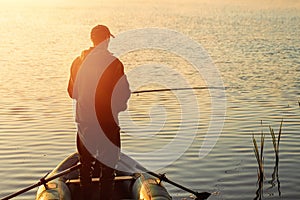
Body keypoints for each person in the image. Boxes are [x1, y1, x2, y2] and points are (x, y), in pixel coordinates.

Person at [67, 24, 131, 199]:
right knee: (108, 169)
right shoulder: (114, 64)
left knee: (85, 167)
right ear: (107, 39)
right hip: (107, 123)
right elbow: (123, 93)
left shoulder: (77, 62)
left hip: (84, 123)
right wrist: (120, 106)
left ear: (92, 40)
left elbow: (72, 93)